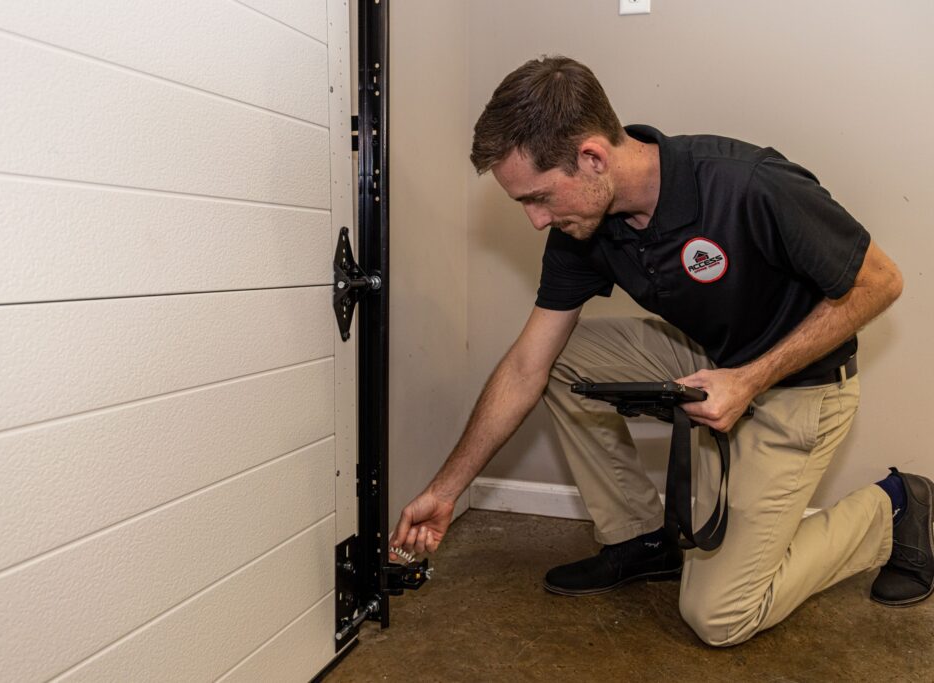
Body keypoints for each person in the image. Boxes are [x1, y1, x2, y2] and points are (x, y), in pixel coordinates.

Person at [389, 56, 932, 647]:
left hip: (801, 385)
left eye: (540, 197)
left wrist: (748, 381)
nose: (536, 219)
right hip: (710, 356)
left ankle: (900, 508)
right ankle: (641, 539)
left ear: (593, 157)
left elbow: (881, 281)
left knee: (720, 616)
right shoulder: (585, 226)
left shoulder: (745, 183)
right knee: (561, 358)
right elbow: (527, 366)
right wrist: (445, 491)